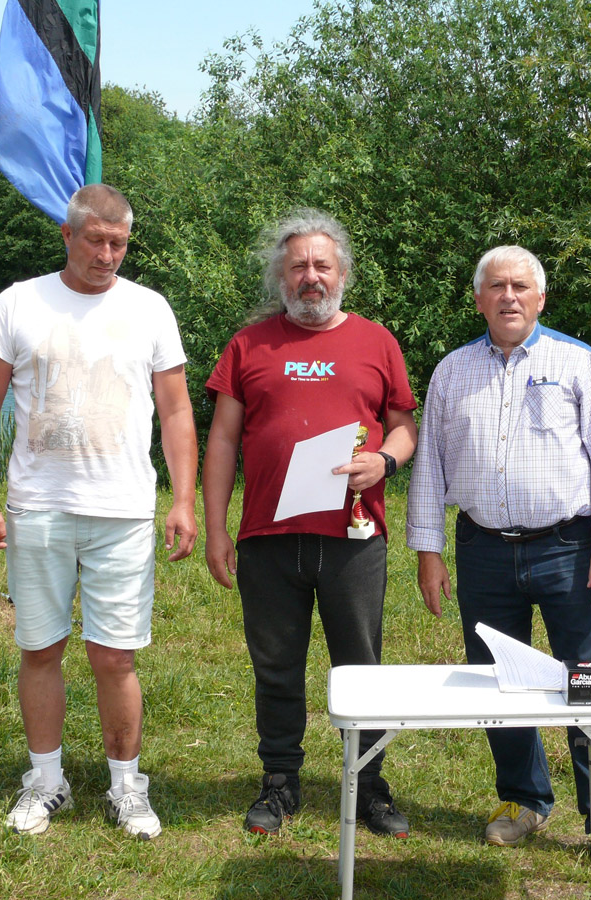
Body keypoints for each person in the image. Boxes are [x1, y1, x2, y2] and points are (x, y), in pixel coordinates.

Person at [0, 184, 198, 841]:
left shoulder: (150, 309)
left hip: (123, 511)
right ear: (67, 235)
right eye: (95, 240)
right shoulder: (19, 302)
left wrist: (183, 501)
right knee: (41, 648)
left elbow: (177, 410)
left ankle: (127, 787)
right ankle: (46, 782)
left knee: (115, 657)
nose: (107, 255)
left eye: (118, 243)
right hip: (38, 507)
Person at [406, 245, 591, 875]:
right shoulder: (452, 372)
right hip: (482, 550)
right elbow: (429, 465)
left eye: (520, 286)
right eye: (496, 287)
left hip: (570, 548)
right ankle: (524, 798)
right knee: (498, 683)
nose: (508, 296)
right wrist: (429, 551)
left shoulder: (577, 361)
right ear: (478, 300)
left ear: (540, 298)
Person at [202, 209, 418, 838]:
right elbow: (223, 441)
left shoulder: (377, 342)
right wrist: (216, 528)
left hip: (354, 536)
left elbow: (404, 427)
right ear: (281, 277)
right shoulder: (249, 345)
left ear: (342, 273)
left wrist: (383, 461)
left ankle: (369, 785)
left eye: (322, 265)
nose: (311, 276)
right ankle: (280, 782)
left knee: (360, 666)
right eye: (298, 266)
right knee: (275, 664)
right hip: (268, 538)